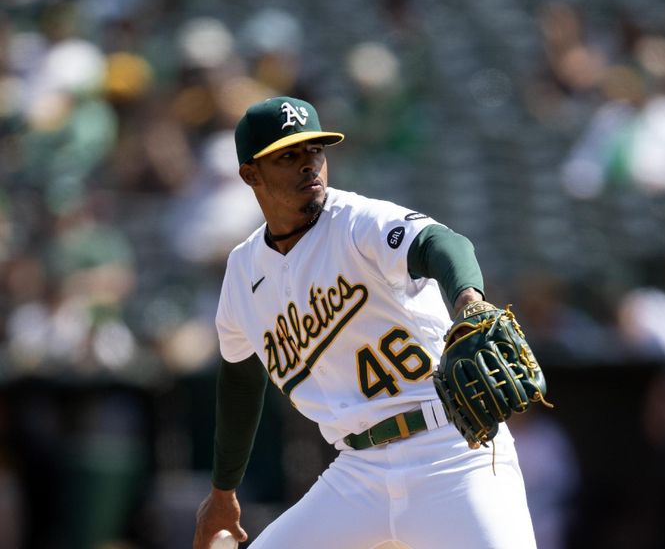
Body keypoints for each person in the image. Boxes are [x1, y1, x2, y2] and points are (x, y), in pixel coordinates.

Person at [192, 96, 538, 549]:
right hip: (356, 474)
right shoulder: (242, 271)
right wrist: (223, 491)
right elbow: (239, 381)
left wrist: (469, 303)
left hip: (453, 453)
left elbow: (442, 244)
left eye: (315, 151)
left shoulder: (356, 221)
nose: (308, 166)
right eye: (289, 156)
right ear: (250, 174)